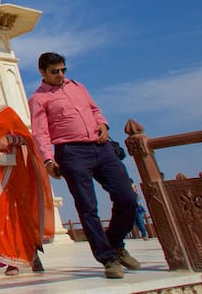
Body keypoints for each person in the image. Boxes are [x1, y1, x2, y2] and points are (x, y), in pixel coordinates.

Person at [28, 52, 141, 279]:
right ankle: (108, 258)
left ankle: (115, 242)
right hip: (72, 152)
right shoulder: (39, 98)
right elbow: (40, 132)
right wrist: (48, 159)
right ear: (42, 72)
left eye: (63, 70)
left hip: (101, 146)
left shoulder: (78, 86)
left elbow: (95, 110)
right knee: (87, 206)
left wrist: (103, 125)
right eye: (55, 71)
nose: (60, 75)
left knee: (127, 197)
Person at [0, 78, 55, 276]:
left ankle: (29, 254)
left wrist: (9, 138)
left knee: (19, 210)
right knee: (0, 213)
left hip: (11, 166)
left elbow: (26, 137)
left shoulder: (6, 112)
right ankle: (10, 257)